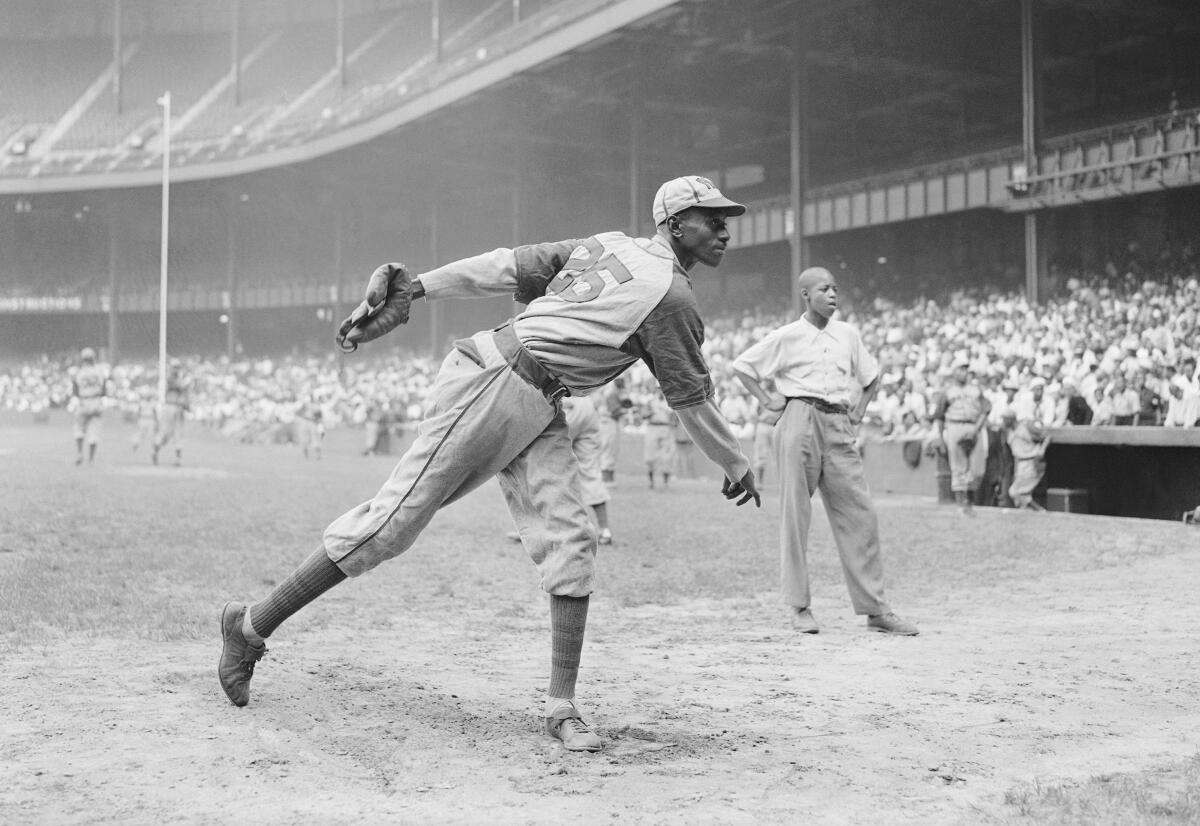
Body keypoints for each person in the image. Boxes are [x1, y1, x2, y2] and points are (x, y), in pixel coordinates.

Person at [217, 175, 761, 753]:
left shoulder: (605, 245)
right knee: (390, 526)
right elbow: (692, 401)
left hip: (540, 399)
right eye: (710, 216)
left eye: (726, 217)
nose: (725, 227)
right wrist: (735, 462)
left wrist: (419, 287)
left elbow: (505, 266)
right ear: (675, 223)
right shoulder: (670, 297)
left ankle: (561, 706)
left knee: (573, 539)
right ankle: (249, 626)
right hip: (498, 381)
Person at [731, 266, 917, 637]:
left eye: (835, 288)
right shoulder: (788, 335)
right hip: (800, 416)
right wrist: (768, 399)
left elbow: (871, 375)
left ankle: (875, 609)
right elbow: (743, 366)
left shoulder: (847, 334)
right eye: (824, 289)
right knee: (796, 514)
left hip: (838, 421)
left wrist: (861, 408)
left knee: (861, 514)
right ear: (805, 295)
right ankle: (799, 606)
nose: (833, 294)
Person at [509, 393, 614, 545]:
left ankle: (535, 529)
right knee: (590, 470)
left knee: (538, 466)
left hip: (562, 400)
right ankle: (605, 530)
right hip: (586, 404)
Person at [932, 355, 991, 516]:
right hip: (955, 426)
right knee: (958, 467)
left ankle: (969, 503)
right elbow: (939, 416)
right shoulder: (948, 391)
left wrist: (976, 429)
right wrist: (941, 437)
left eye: (965, 369)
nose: (964, 372)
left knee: (976, 469)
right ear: (954, 372)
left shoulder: (976, 389)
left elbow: (986, 409)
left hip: (973, 427)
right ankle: (961, 505)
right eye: (961, 369)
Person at [70, 347, 107, 466]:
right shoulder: (99, 372)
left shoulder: (78, 372)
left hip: (83, 402)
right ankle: (91, 459)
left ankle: (80, 453)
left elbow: (75, 392)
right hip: (96, 401)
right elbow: (104, 391)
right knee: (94, 432)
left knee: (79, 429)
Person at [152, 359, 189, 466]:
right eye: (175, 367)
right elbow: (178, 386)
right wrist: (185, 382)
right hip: (169, 407)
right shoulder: (170, 378)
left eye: (178, 367)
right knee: (165, 433)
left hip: (178, 408)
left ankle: (178, 460)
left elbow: (184, 395)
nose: (176, 369)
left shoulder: (179, 378)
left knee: (178, 434)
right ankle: (155, 452)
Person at [1008, 419, 1049, 510]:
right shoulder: (1010, 432)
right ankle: (1032, 515)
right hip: (1021, 463)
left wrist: (1043, 447)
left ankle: (1040, 510)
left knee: (1015, 492)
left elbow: (1045, 436)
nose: (1003, 422)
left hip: (1031, 461)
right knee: (1020, 496)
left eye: (1005, 419)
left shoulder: (1025, 428)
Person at [597, 378, 632, 484]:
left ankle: (608, 478)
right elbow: (614, 411)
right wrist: (626, 411)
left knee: (612, 449)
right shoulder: (611, 392)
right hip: (608, 421)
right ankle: (606, 479)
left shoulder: (615, 392)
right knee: (608, 448)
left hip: (611, 421)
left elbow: (627, 403)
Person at [642, 387, 676, 489]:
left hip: (666, 428)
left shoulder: (671, 402)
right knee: (650, 455)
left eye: (662, 389)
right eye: (659, 389)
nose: (661, 391)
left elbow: (675, 419)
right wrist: (652, 412)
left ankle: (666, 482)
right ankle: (651, 481)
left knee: (667, 456)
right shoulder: (651, 402)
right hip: (653, 427)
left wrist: (671, 417)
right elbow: (643, 415)